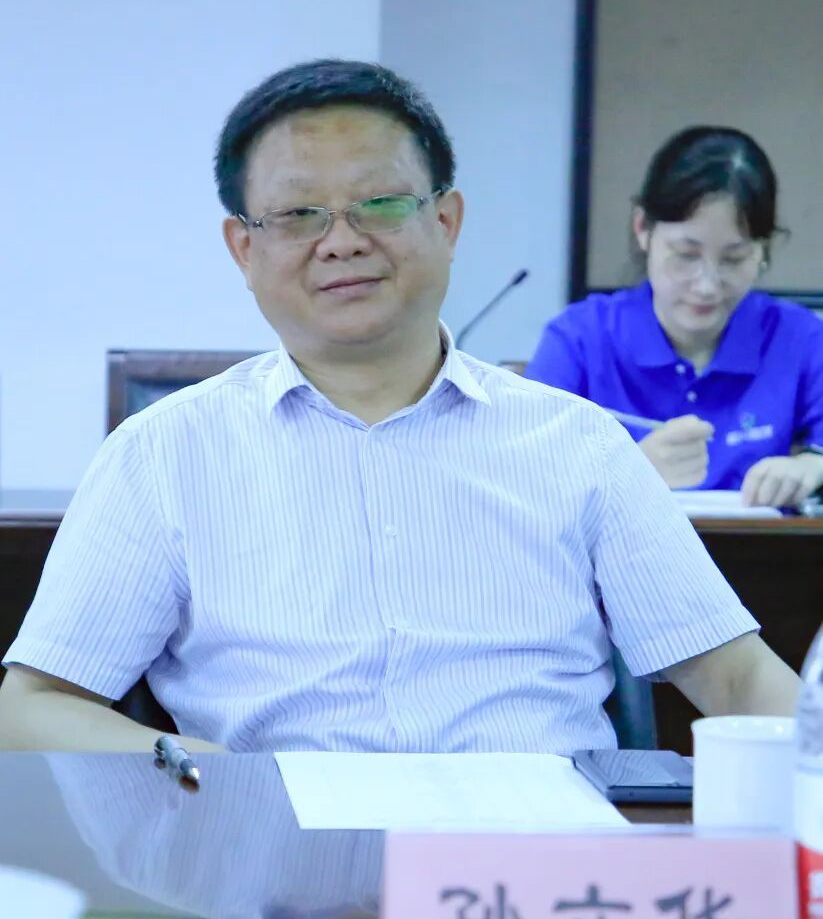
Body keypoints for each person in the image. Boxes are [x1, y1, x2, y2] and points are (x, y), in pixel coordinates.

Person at [0, 63, 799, 756]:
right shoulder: (162, 454)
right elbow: (32, 706)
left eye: (379, 202)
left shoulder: (577, 443)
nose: (341, 241)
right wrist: (210, 772)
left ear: (445, 222)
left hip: (535, 857)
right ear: (243, 248)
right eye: (298, 214)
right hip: (268, 855)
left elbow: (735, 676)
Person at [525, 127, 823, 506]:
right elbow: (523, 476)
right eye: (686, 254)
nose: (707, 286)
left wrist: (812, 466)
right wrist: (627, 470)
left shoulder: (799, 338)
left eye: (733, 259)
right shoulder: (580, 339)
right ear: (643, 230)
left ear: (763, 250)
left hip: (755, 546)